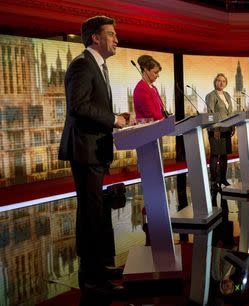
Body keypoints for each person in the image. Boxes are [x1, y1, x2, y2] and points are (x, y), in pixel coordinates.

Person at [58, 15, 128, 294]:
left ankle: (101, 266)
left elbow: (90, 105)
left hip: (95, 149)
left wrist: (115, 118)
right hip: (85, 150)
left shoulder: (97, 66)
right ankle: (92, 276)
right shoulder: (82, 66)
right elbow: (78, 106)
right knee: (90, 212)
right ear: (95, 38)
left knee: (96, 211)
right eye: (111, 34)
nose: (116, 39)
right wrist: (112, 119)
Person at [206, 73, 234, 191]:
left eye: (223, 81)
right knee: (215, 155)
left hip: (227, 128)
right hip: (216, 129)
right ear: (215, 82)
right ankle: (214, 181)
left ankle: (222, 178)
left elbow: (230, 111)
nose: (221, 83)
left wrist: (233, 125)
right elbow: (211, 114)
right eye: (219, 80)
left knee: (224, 154)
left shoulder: (227, 95)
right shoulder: (211, 96)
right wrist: (216, 128)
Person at [133, 55, 167, 122]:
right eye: (155, 72)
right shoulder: (141, 89)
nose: (158, 75)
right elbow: (151, 115)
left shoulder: (153, 87)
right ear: (145, 70)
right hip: (148, 130)